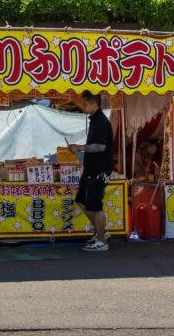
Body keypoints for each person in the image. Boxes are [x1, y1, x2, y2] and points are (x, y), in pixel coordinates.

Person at [68, 92, 114, 252]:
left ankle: (102, 241)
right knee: (81, 201)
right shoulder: (94, 120)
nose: (83, 106)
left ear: (94, 104)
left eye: (85, 103)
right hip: (90, 169)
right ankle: (101, 232)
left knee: (95, 206)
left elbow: (101, 146)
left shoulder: (101, 121)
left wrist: (80, 147)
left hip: (99, 170)